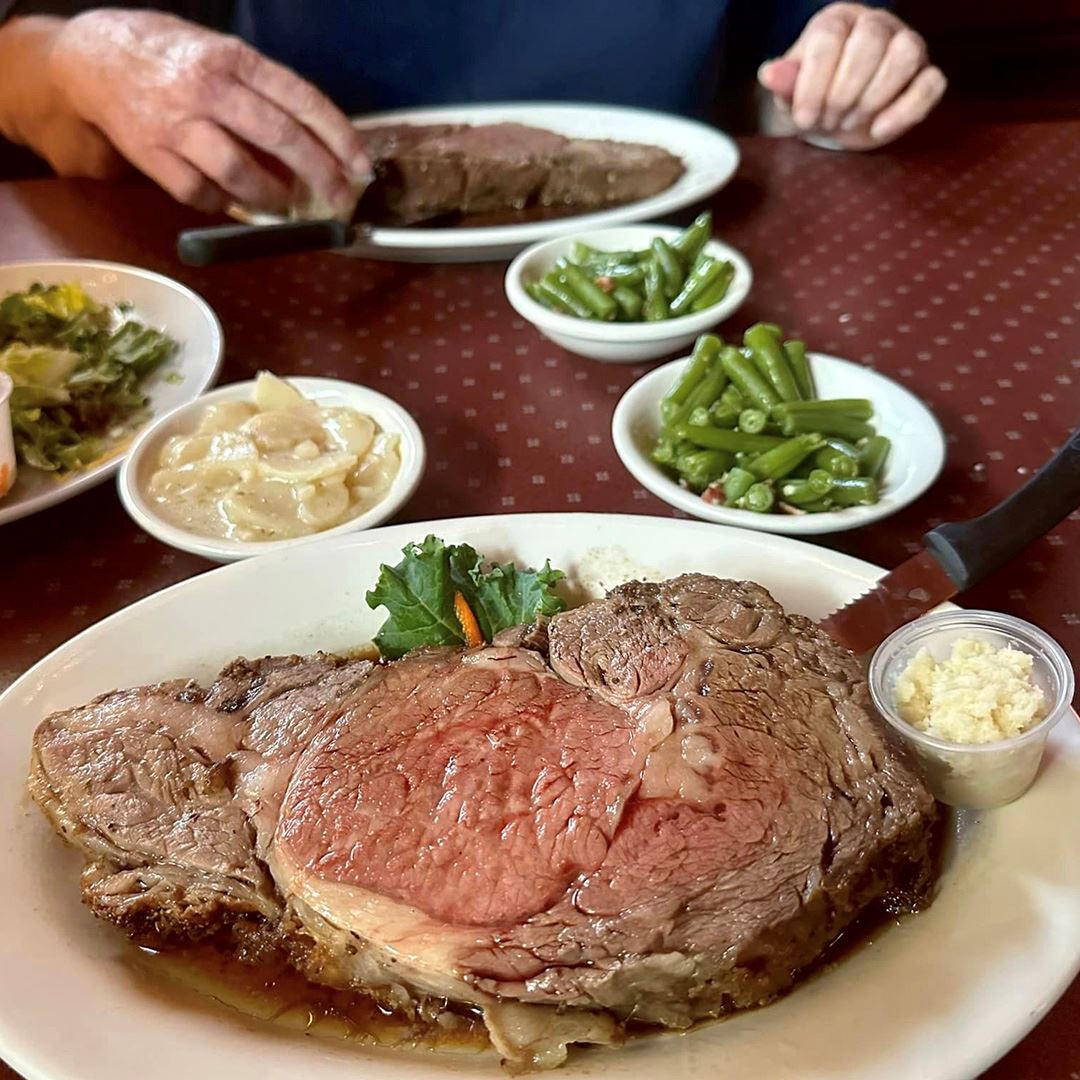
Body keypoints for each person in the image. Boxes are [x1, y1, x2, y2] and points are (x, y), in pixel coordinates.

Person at [0, 2, 946, 216]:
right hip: (304, 307)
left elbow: (811, 54)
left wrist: (849, 74)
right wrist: (81, 57)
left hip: (655, 277)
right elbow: (23, 76)